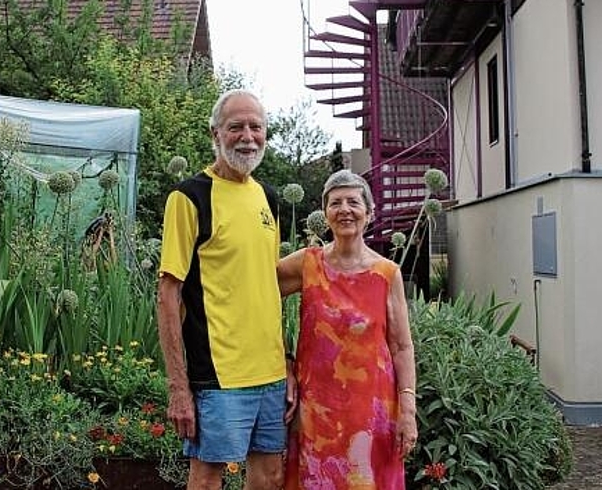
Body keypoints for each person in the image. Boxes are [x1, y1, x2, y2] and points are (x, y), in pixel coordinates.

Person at [156, 89, 292, 490]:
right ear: (215, 133)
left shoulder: (267, 197)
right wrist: (178, 388)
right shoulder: (189, 197)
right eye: (236, 127)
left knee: (270, 476)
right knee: (206, 479)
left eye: (256, 126)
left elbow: (265, 285)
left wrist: (286, 359)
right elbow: (167, 296)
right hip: (218, 374)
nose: (247, 136)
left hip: (270, 374)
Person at [278, 168, 418, 489]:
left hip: (373, 413)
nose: (344, 210)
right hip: (317, 411)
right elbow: (260, 299)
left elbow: (401, 347)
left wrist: (407, 410)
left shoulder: (387, 273)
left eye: (353, 202)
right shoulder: (307, 264)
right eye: (335, 203)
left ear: (368, 213)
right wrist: (284, 360)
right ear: (325, 213)